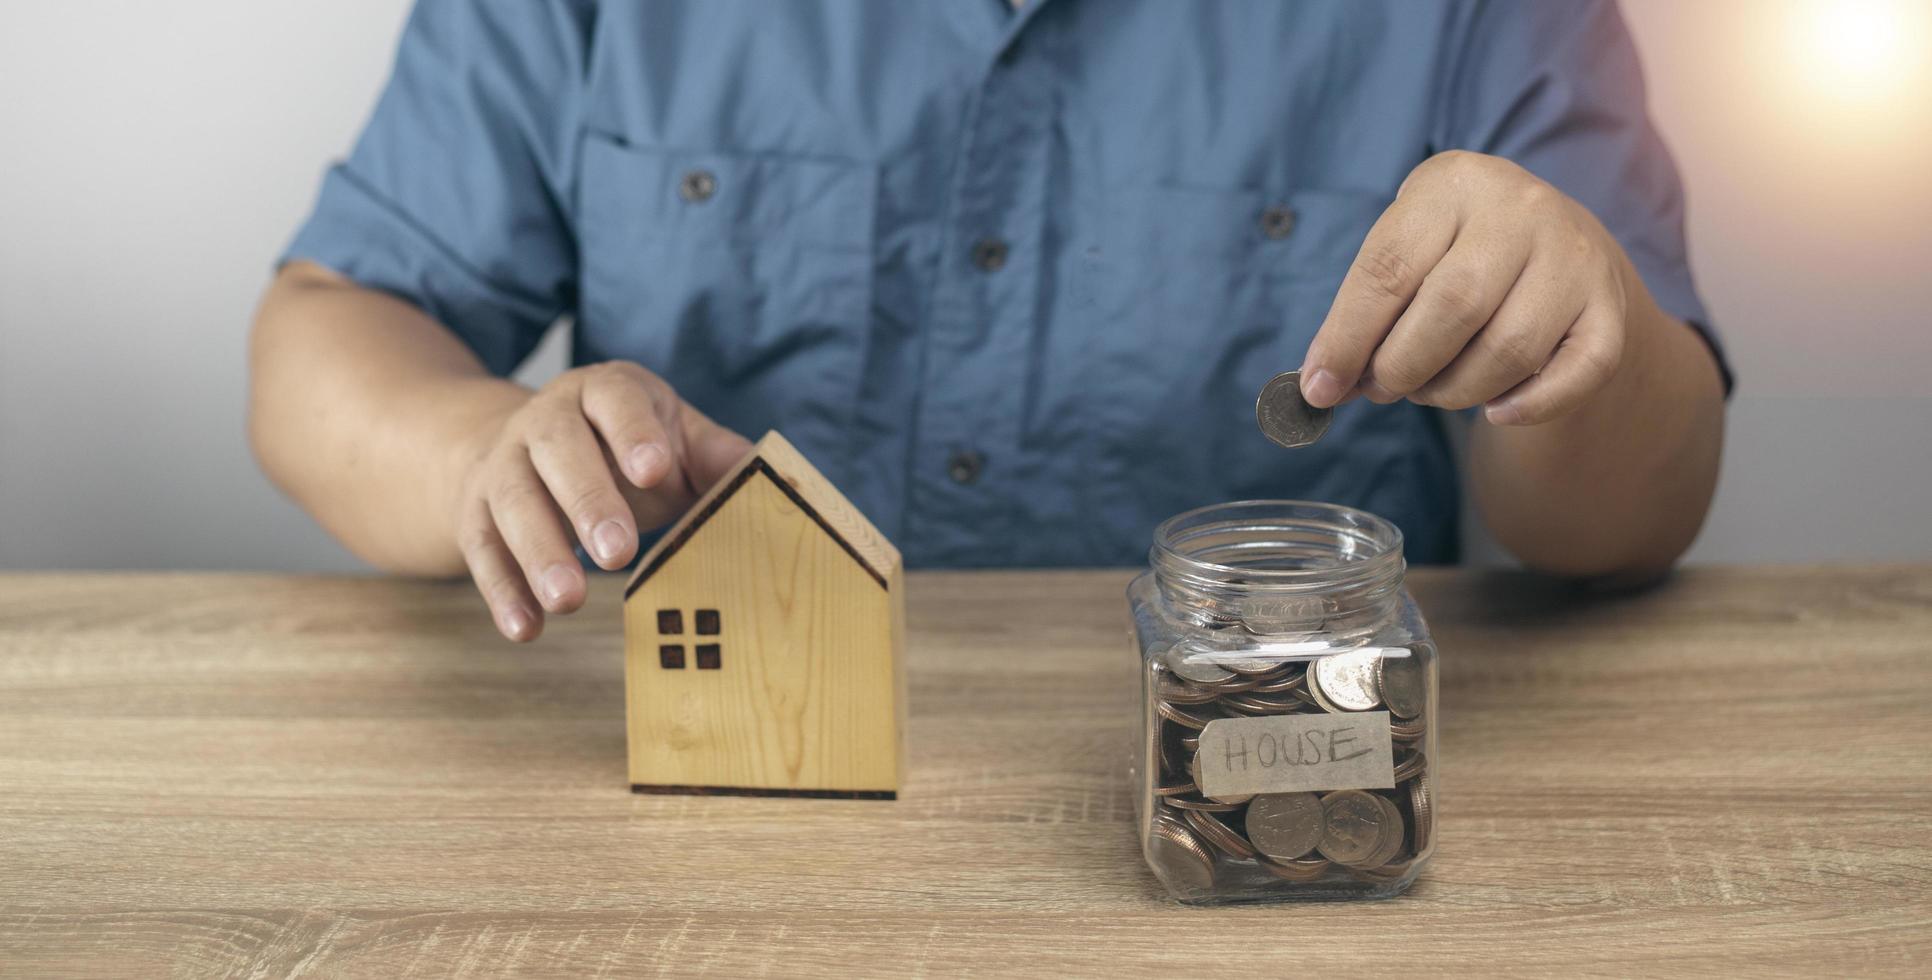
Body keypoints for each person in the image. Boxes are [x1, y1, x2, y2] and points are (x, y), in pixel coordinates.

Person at [250, 1, 1728, 642]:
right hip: (711, 793)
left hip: (1264, 804)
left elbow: (1628, 520)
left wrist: (1576, 343)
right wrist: (484, 455)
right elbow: (325, 334)